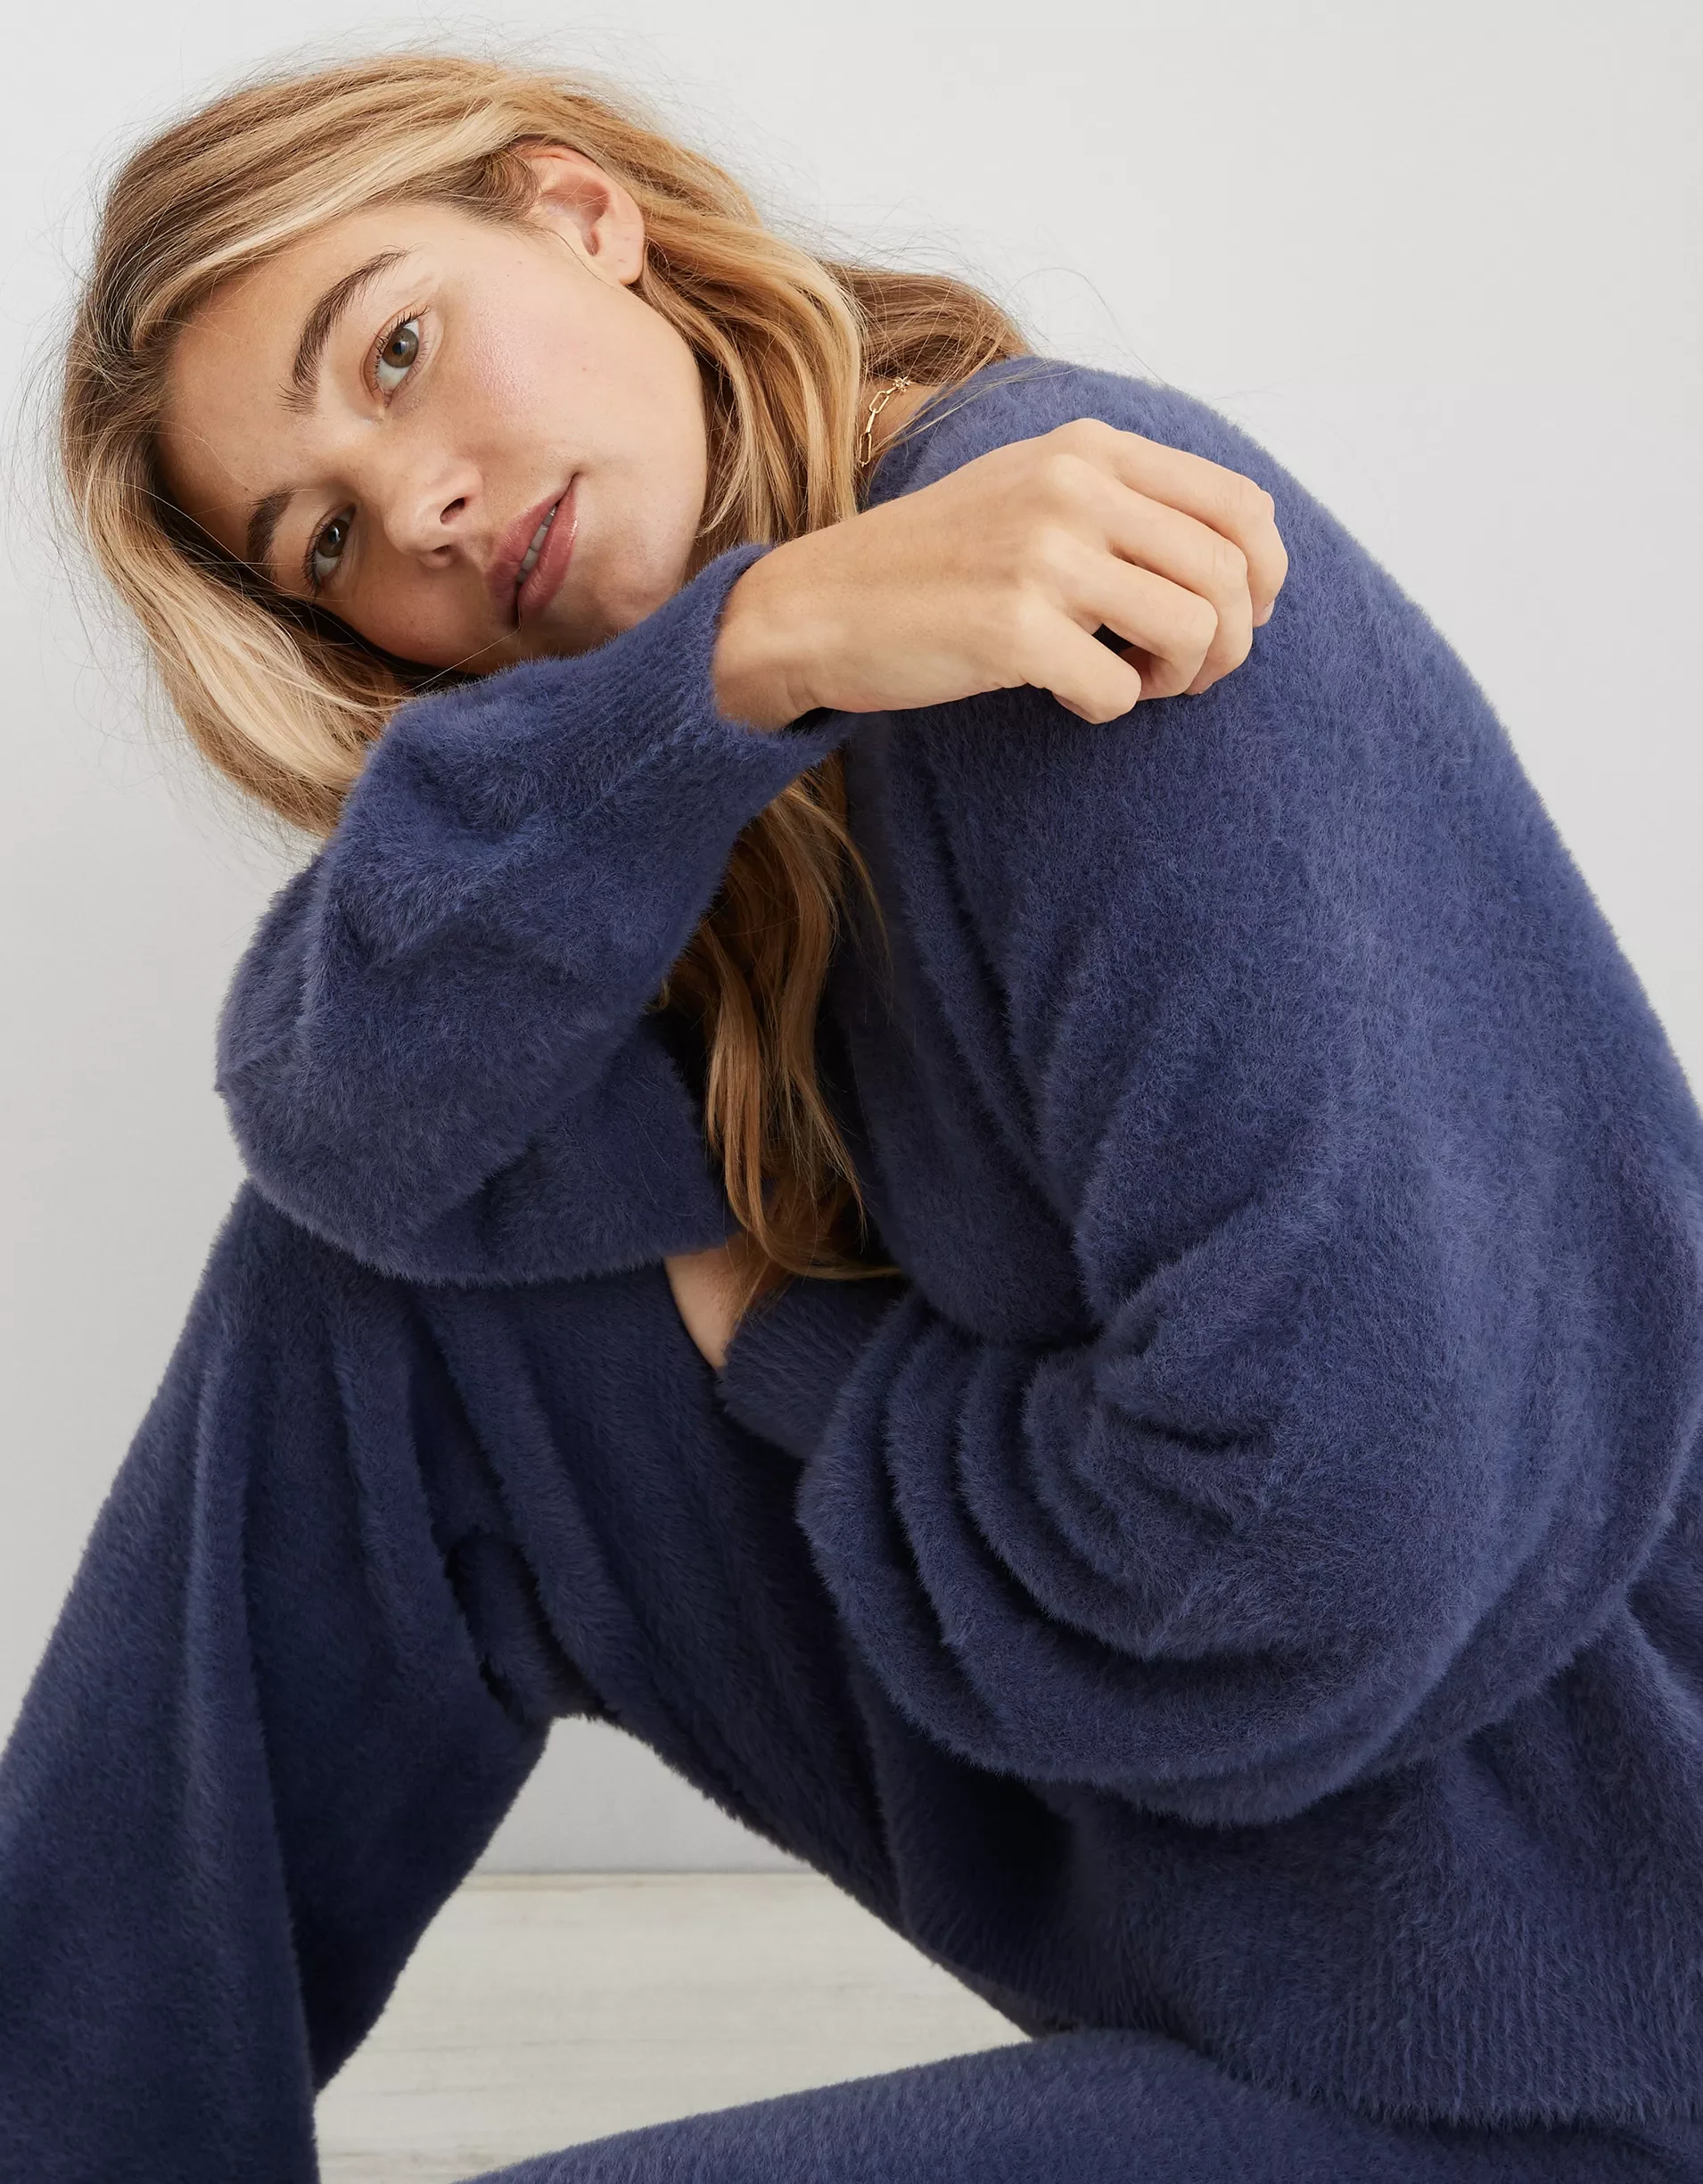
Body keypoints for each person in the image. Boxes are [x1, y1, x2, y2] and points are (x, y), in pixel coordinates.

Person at [4, 46, 1701, 2184]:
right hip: (1241, 1903)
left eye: (401, 349)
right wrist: (735, 658)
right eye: (326, 535)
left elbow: (1313, 1556)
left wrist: (777, 1343)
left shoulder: (1081, 571)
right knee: (374, 1292)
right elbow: (346, 1125)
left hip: (1569, 1990)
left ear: (579, 213)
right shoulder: (717, 741)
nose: (417, 506)